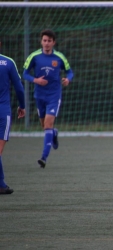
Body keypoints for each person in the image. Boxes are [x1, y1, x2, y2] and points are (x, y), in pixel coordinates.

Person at [23, 29, 73, 168]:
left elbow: (70, 71)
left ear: (53, 42)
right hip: (39, 95)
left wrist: (68, 79)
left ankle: (43, 157)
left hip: (54, 95)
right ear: (41, 41)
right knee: (44, 126)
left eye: (49, 41)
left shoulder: (59, 57)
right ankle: (54, 133)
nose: (46, 43)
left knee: (48, 125)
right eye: (44, 40)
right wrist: (36, 80)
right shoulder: (34, 56)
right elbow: (25, 73)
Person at [0, 38, 26, 194]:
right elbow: (19, 89)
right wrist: (22, 106)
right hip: (3, 113)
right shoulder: (8, 62)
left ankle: (1, 184)